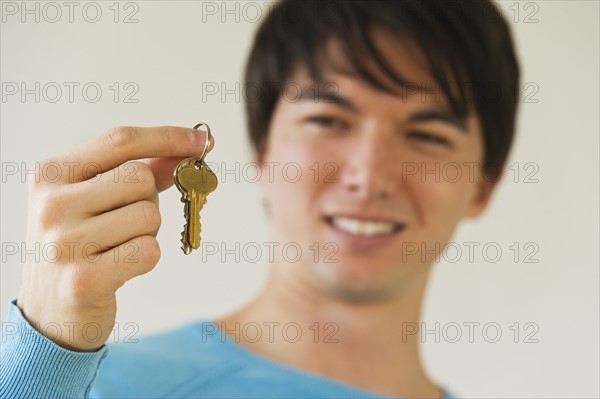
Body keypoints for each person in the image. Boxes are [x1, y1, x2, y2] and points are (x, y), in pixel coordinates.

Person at [0, 1, 520, 398]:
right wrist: (41, 362)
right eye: (328, 121)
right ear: (262, 152)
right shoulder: (93, 385)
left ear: (483, 184)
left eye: (427, 135)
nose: (370, 176)